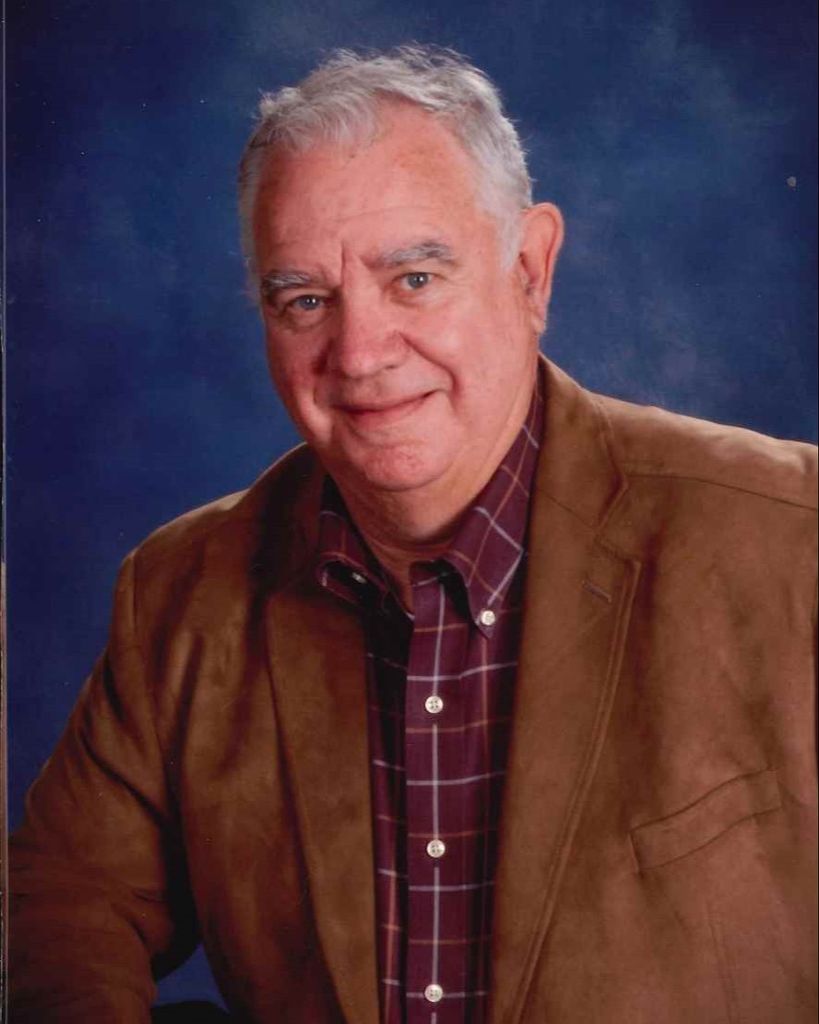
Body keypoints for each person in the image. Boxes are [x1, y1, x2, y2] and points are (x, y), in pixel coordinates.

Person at [9, 45, 817, 1024]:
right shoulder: (183, 593)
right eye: (306, 300)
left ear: (530, 270)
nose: (358, 354)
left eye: (415, 278)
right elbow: (58, 904)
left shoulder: (790, 541)